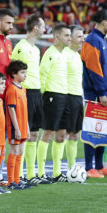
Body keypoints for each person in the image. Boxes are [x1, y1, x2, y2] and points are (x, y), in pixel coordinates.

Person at [81, 9, 107, 178]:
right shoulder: (92, 40)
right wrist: (102, 92)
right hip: (96, 94)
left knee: (102, 130)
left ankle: (99, 166)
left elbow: (103, 68)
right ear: (104, 22)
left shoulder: (100, 40)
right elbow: (93, 70)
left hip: (104, 92)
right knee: (92, 130)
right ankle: (90, 167)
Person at [11, 14, 45, 180]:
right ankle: (18, 174)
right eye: (43, 26)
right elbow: (13, 70)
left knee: (34, 134)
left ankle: (31, 174)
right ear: (36, 28)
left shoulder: (36, 49)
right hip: (25, 93)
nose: (46, 29)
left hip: (36, 92)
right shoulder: (20, 47)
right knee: (24, 134)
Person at [38, 24, 71, 183]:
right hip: (52, 95)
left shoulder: (64, 54)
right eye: (66, 35)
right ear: (57, 37)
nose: (69, 38)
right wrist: (44, 96)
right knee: (48, 132)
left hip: (64, 95)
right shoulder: (49, 54)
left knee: (61, 134)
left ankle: (57, 172)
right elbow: (42, 75)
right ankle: (41, 172)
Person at [5, 60, 30, 190]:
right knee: (14, 151)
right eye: (22, 72)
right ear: (14, 74)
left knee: (20, 152)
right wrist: (16, 128)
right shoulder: (12, 89)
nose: (25, 75)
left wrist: (27, 127)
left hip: (22, 127)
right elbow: (11, 109)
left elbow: (24, 111)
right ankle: (11, 182)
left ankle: (17, 180)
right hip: (16, 127)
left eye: (25, 72)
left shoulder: (23, 89)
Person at [63, 25, 85, 171]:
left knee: (75, 134)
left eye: (82, 36)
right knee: (63, 134)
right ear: (70, 38)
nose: (82, 39)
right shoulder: (64, 54)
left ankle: (71, 167)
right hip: (67, 97)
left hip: (78, 97)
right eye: (79, 36)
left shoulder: (77, 55)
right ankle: (59, 169)